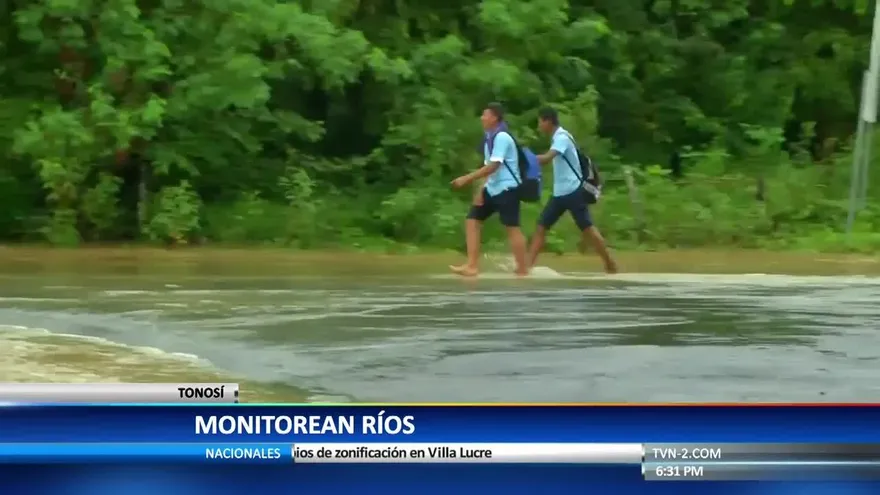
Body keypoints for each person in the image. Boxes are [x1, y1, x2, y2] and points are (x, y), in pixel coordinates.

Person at [528, 107, 617, 273]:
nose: (539, 126)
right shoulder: (557, 138)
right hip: (559, 194)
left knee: (588, 229)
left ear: (548, 121)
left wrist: (527, 159)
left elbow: (547, 158)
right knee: (541, 227)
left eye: (540, 122)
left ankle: (610, 263)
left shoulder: (562, 137)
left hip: (573, 192)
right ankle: (526, 268)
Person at [449, 103, 529, 277]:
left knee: (512, 228)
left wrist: (466, 178)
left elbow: (493, 166)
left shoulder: (502, 137)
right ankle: (472, 266)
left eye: (485, 115)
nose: (482, 118)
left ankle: (523, 270)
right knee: (472, 220)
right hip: (492, 188)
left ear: (494, 118)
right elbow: (487, 168)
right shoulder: (489, 137)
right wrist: (480, 190)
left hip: (507, 188)